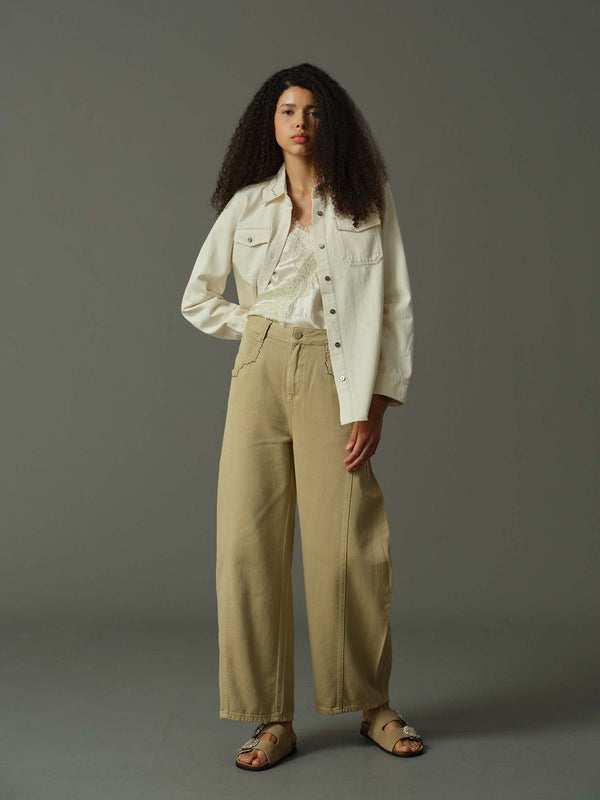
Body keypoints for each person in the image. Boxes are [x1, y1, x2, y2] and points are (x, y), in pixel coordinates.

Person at [181, 62, 424, 770]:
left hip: (333, 370)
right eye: (288, 110)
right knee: (246, 543)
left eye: (313, 112)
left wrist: (375, 401)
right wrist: (251, 323)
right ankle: (270, 718)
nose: (300, 123)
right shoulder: (248, 205)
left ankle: (372, 704)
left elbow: (396, 304)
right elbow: (197, 296)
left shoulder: (366, 198)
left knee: (346, 540)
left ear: (329, 122)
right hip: (258, 369)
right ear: (271, 122)